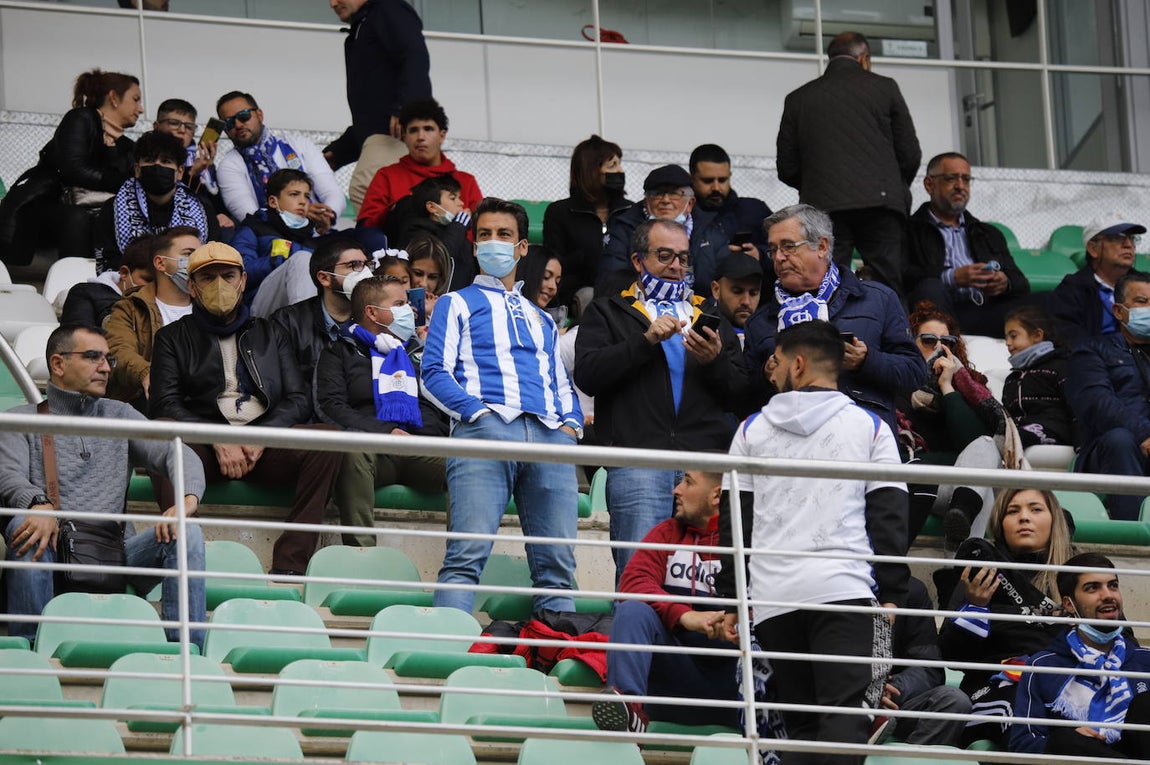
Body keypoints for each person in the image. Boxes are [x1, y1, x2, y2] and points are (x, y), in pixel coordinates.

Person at [717, 319, 910, 765]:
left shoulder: (750, 430)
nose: (769, 369)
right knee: (843, 720)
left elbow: (734, 521)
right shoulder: (871, 426)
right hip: (842, 590)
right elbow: (888, 516)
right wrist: (895, 592)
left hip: (773, 599)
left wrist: (733, 597)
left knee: (802, 727)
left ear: (798, 364)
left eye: (775, 360)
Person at [421, 197, 583, 614]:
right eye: (486, 235)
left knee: (558, 569)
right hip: (487, 431)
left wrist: (571, 426)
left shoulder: (543, 318)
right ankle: (446, 659)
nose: (494, 242)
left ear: (522, 247)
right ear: (474, 246)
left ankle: (555, 657)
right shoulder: (454, 302)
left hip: (550, 436)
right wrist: (479, 415)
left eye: (505, 235)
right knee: (465, 559)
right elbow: (434, 373)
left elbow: (559, 380)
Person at [0, 324, 206, 649]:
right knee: (25, 525)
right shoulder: (20, 419)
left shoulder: (120, 414)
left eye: (108, 358)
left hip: (115, 553)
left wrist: (187, 500)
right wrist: (36, 503)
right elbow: (7, 475)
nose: (106, 367)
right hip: (53, 551)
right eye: (93, 357)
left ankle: (186, 654)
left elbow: (178, 453)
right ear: (58, 364)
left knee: (187, 531)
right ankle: (30, 650)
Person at [148, 242, 343, 576]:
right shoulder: (171, 337)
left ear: (242, 281)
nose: (219, 285)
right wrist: (217, 438)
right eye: (207, 278)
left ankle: (290, 567)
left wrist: (261, 436)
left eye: (228, 275)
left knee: (327, 441)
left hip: (262, 447)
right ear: (192, 287)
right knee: (167, 442)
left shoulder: (270, 331)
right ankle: (184, 556)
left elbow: (298, 398)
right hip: (205, 449)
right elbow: (164, 403)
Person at [576, 219, 749, 577]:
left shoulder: (711, 317)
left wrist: (715, 362)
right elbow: (589, 375)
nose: (676, 266)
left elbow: (740, 395)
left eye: (683, 258)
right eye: (665, 255)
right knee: (639, 580)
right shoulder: (608, 310)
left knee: (707, 585)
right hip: (638, 462)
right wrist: (644, 342)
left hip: (703, 469)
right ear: (638, 261)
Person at [743, 204, 925, 441]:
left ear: (822, 246)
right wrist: (766, 376)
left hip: (861, 440)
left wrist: (866, 361)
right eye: (773, 249)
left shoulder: (878, 299)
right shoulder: (759, 320)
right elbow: (744, 400)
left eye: (788, 247)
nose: (778, 257)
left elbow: (914, 373)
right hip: (788, 447)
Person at [592, 470, 738, 734]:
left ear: (716, 495)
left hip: (735, 687)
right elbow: (634, 581)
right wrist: (685, 616)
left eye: (688, 482)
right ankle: (628, 714)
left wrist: (735, 621)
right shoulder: (666, 533)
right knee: (633, 609)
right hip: (673, 683)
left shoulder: (750, 542)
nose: (676, 490)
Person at [776, 32, 921, 294]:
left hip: (823, 208)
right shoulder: (885, 88)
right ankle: (893, 335)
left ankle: (831, 335)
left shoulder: (798, 98)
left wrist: (817, 184)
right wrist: (894, 186)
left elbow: (787, 167)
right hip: (882, 203)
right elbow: (910, 153)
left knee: (827, 283)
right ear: (864, 59)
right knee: (888, 284)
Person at [315, 275, 447, 546]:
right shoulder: (340, 352)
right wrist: (387, 432)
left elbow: (440, 407)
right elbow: (330, 407)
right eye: (399, 303)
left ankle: (462, 561)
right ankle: (362, 557)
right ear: (372, 312)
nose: (409, 310)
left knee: (468, 465)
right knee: (352, 452)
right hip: (372, 450)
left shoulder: (419, 353)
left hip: (419, 448)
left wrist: (418, 438)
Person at [937, 488, 1073, 748]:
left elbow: (1121, 641)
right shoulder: (981, 571)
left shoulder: (1081, 572)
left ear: (1054, 519)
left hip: (1066, 686)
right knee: (1021, 703)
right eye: (1013, 511)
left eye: (1035, 509)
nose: (1024, 518)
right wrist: (976, 607)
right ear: (1000, 525)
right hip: (995, 690)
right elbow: (951, 656)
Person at [1011, 552, 1150, 757]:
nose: (1108, 595)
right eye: (1093, 588)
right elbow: (1022, 743)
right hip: (1079, 760)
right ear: (1069, 604)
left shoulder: (1145, 660)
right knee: (1068, 741)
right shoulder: (1041, 667)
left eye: (1113, 585)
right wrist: (1063, 740)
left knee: (1144, 705)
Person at [900, 301, 1012, 548]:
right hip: (918, 485)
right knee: (979, 489)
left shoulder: (969, 386)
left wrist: (947, 386)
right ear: (910, 343)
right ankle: (963, 577)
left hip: (959, 484)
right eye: (928, 340)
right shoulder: (898, 385)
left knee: (983, 455)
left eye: (947, 341)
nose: (939, 347)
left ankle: (959, 574)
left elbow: (977, 442)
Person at [903, 152, 1031, 337]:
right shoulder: (908, 230)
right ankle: (944, 350)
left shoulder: (988, 233)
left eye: (966, 179)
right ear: (929, 185)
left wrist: (1004, 282)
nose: (960, 186)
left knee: (1048, 300)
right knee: (930, 288)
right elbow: (902, 275)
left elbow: (1021, 282)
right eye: (951, 179)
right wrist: (952, 277)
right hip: (941, 312)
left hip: (986, 311)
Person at [326, 0, 432, 211]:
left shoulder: (387, 8)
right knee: (378, 197)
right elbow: (372, 115)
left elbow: (414, 55)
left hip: (396, 135)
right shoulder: (363, 26)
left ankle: (390, 243)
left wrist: (406, 109)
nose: (332, 3)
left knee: (367, 188)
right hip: (385, 134)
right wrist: (339, 153)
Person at [26, 69, 142, 263]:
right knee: (78, 219)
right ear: (113, 97)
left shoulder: (126, 144)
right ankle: (72, 281)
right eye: (136, 99)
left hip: (95, 210)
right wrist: (118, 181)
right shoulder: (80, 118)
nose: (140, 109)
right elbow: (73, 169)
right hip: (55, 206)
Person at [1066, 271, 1150, 520]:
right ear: (1118, 311)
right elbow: (1097, 403)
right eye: (1141, 301)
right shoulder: (1091, 351)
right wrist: (1144, 434)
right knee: (1120, 438)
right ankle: (1132, 535)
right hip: (1108, 451)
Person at [214, 91, 345, 226]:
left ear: (259, 115)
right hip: (271, 240)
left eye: (243, 116)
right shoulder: (229, 165)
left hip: (319, 231)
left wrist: (327, 215)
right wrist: (299, 216)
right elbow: (249, 216)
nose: (238, 124)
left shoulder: (299, 144)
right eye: (229, 122)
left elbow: (332, 192)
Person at [104, 226, 199, 408]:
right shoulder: (129, 308)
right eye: (189, 254)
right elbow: (118, 350)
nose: (197, 261)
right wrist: (147, 373)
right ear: (160, 263)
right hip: (145, 403)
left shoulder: (211, 308)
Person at [874, 577, 973, 747]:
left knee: (954, 701)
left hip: (891, 700)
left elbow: (927, 666)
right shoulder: (827, 586)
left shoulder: (911, 589)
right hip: (835, 697)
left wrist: (887, 689)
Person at [358, 98, 483, 232]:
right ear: (404, 136)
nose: (420, 137)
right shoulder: (387, 176)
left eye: (428, 129)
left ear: (442, 135)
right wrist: (395, 212)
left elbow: (482, 229)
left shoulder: (466, 181)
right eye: (413, 130)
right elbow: (366, 229)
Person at [268, 237, 370, 398]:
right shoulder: (287, 322)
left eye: (367, 265)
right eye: (353, 266)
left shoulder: (375, 320)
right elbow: (287, 389)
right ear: (324, 278)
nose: (366, 273)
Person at [98, 130, 214, 272]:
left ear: (180, 172)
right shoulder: (113, 209)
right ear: (137, 170)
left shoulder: (202, 210)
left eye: (166, 161)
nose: (157, 166)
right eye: (149, 160)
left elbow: (211, 259)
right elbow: (108, 261)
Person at [543, 135, 631, 315]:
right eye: (612, 165)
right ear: (591, 171)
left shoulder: (630, 210)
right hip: (580, 291)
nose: (620, 171)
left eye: (619, 164)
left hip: (625, 289)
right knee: (591, 299)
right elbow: (554, 263)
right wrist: (585, 258)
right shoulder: (560, 212)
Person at [1050, 213, 1147, 348]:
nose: (1128, 244)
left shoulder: (1146, 286)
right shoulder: (1072, 290)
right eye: (1117, 237)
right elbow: (1070, 340)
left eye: (1132, 238)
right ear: (1093, 248)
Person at [231, 169, 324, 302]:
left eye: (307, 196)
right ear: (273, 202)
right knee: (302, 259)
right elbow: (237, 274)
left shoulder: (312, 239)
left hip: (297, 308)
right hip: (257, 306)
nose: (303, 201)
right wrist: (277, 260)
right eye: (294, 194)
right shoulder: (253, 228)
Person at [151, 97, 232, 239]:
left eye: (189, 127)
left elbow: (213, 198)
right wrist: (192, 173)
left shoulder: (200, 157)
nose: (182, 130)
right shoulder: (148, 155)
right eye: (174, 123)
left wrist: (221, 214)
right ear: (156, 126)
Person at [687, 143, 772, 276]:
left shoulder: (754, 210)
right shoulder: (683, 216)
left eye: (722, 180)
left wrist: (759, 255)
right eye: (708, 181)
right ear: (692, 178)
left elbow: (784, 250)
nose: (716, 187)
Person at [1002, 304, 1075, 448]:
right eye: (1006, 338)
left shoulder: (1061, 366)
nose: (1008, 343)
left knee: (1014, 439)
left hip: (1056, 429)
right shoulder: (1012, 378)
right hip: (1017, 430)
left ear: (1037, 335)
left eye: (1013, 336)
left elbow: (1076, 407)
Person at [393, 175, 476, 291]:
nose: (461, 203)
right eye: (453, 198)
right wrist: (459, 226)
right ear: (432, 207)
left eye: (459, 197)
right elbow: (441, 256)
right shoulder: (415, 229)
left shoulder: (454, 232)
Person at [59, 234, 154, 327]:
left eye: (162, 281)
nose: (155, 287)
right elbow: (78, 338)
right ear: (124, 273)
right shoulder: (84, 294)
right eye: (148, 280)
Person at [710, 251, 762, 348]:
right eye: (737, 292)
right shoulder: (700, 327)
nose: (746, 302)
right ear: (716, 290)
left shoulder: (770, 331)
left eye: (753, 293)